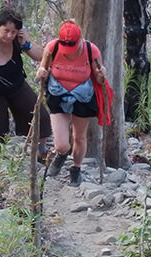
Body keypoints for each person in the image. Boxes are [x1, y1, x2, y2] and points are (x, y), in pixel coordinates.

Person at [35, 20, 107, 187]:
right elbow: (42, 71)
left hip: (82, 95)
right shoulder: (52, 48)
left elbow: (99, 77)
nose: (68, 51)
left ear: (80, 39)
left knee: (79, 137)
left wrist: (101, 74)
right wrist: (41, 73)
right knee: (61, 144)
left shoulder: (91, 50)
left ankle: (76, 169)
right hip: (58, 94)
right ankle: (61, 155)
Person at [0, 7, 52, 151]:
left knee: (41, 117)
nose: (9, 35)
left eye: (13, 32)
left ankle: (40, 151)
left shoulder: (17, 41)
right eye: (6, 30)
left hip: (17, 86)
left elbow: (41, 56)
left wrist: (26, 43)